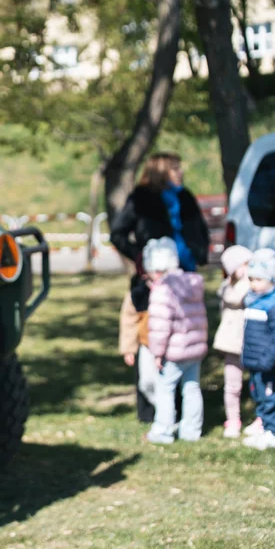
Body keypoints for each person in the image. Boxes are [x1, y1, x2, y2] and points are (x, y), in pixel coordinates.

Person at [110, 152, 209, 421]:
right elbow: (118, 233)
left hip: (185, 276)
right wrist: (140, 257)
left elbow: (199, 227)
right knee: (153, 333)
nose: (181, 171)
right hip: (154, 277)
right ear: (163, 170)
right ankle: (151, 409)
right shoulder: (141, 198)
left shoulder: (184, 196)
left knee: (182, 334)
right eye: (176, 167)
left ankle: (180, 405)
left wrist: (199, 251)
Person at [144, 237, 208, 444]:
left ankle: (163, 431)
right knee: (191, 388)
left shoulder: (162, 290)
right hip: (195, 348)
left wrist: (157, 353)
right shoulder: (191, 283)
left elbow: (160, 326)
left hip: (174, 351)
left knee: (165, 390)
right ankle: (191, 430)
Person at [240, 249, 275, 451]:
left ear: (271, 279)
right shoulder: (255, 301)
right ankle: (264, 428)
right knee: (260, 397)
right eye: (251, 279)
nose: (254, 284)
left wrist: (268, 360)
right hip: (257, 363)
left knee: (271, 399)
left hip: (270, 364)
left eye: (259, 280)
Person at [211, 246, 253, 438]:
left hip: (251, 343)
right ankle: (233, 419)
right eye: (246, 264)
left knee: (256, 384)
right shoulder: (232, 289)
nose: (249, 268)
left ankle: (258, 418)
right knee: (232, 386)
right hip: (232, 343)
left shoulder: (253, 286)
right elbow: (234, 298)